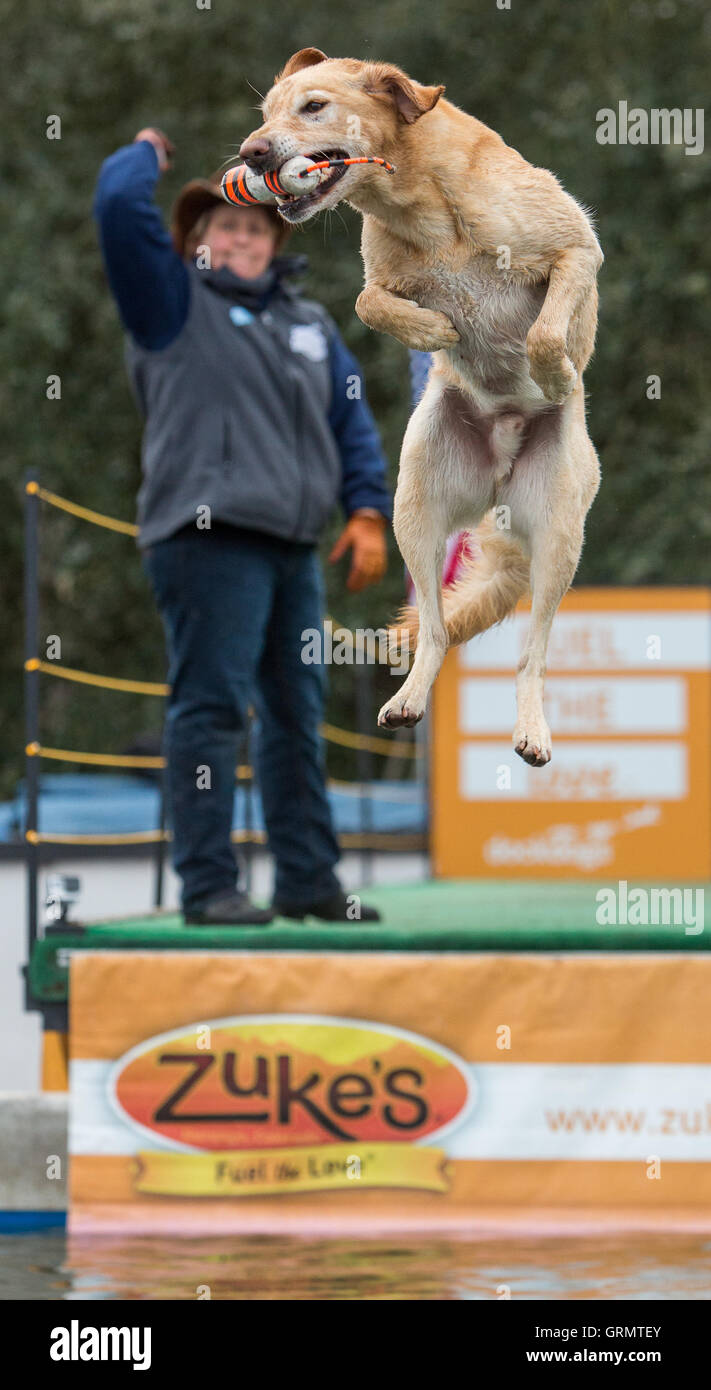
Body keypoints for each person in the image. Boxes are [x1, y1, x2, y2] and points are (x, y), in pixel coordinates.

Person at [93, 127, 392, 926]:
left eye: (257, 227)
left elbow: (351, 423)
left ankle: (307, 880)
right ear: (194, 239)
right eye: (224, 225)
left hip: (293, 547)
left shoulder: (310, 326)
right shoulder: (168, 302)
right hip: (205, 539)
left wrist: (368, 511)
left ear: (273, 240)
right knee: (213, 710)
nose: (241, 236)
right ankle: (208, 887)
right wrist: (144, 154)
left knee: (297, 712)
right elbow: (119, 215)